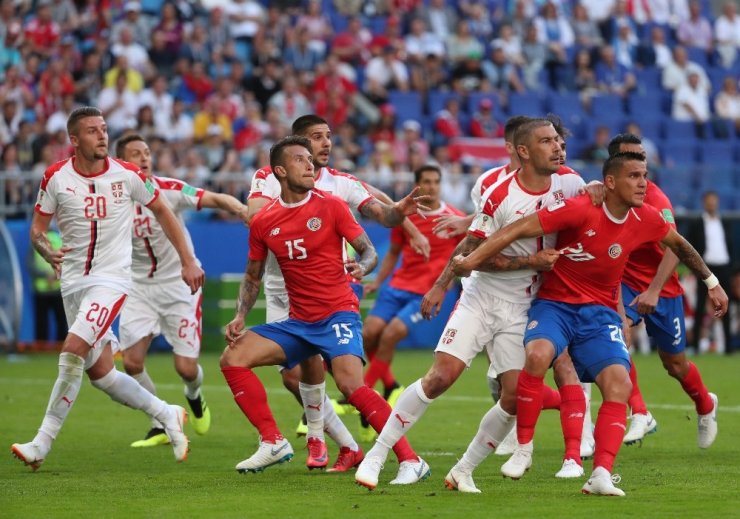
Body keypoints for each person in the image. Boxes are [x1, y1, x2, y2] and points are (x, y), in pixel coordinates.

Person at [452, 151, 728, 496]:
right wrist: (470, 261)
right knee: (537, 356)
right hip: (556, 305)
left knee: (619, 384)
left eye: (644, 175)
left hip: (599, 313)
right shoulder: (580, 207)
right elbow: (518, 228)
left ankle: (600, 474)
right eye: (633, 176)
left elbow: (681, 246)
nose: (643, 182)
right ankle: (523, 449)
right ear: (609, 182)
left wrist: (712, 283)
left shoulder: (648, 217)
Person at [354, 119, 586, 491]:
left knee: (514, 397)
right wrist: (441, 286)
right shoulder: (499, 194)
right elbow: (471, 252)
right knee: (441, 377)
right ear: (523, 151)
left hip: (524, 304)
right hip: (482, 295)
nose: (557, 147)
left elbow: (597, 205)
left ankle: (462, 470)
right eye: (547, 142)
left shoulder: (572, 184)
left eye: (558, 141)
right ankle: (378, 455)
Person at [221, 136, 430, 486]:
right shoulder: (263, 222)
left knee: (350, 385)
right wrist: (241, 315)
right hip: (298, 322)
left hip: (337, 314)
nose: (310, 165)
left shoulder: (332, 205)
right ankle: (272, 440)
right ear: (280, 171)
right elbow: (252, 275)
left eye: (310, 160)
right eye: (301, 160)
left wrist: (364, 266)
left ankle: (411, 460)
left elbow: (368, 251)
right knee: (232, 359)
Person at [11, 107, 205, 470]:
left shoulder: (128, 174)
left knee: (71, 350)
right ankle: (167, 412)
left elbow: (164, 212)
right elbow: (38, 230)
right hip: (73, 283)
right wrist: (45, 248)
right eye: (91, 131)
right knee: (101, 375)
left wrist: (187, 260)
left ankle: (41, 443)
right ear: (73, 140)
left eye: (103, 129)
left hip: (112, 279)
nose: (101, 136)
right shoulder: (55, 177)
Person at [115, 134, 248, 448]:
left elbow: (214, 198)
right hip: (140, 288)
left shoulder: (168, 189)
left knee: (185, 369)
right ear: (121, 163)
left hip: (179, 286)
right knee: (131, 364)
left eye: (147, 152)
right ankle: (161, 420)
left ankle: (195, 396)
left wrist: (243, 210)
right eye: (136, 154)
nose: (145, 158)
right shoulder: (114, 200)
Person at [608, 133, 719, 448]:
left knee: (675, 365)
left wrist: (654, 290)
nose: (642, 167)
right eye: (633, 159)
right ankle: (640, 412)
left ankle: (705, 404)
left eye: (643, 158)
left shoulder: (657, 199)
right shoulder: (604, 195)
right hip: (626, 284)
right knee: (613, 336)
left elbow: (675, 248)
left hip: (663, 288)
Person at [360, 164, 465, 440]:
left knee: (391, 333)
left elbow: (466, 257)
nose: (431, 186)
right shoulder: (406, 216)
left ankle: (362, 394)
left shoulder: (455, 219)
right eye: (426, 182)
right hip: (397, 287)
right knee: (368, 333)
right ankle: (391, 385)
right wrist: (378, 281)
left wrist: (451, 290)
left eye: (435, 182)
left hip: (425, 293)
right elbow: (394, 252)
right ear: (417, 185)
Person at [688, 191, 734, 354]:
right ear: (704, 203)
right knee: (700, 306)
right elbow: (690, 249)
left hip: (723, 267)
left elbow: (730, 247)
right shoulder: (698, 224)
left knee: (726, 306)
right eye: (709, 201)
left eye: (714, 201)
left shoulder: (724, 223)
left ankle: (729, 347)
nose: (712, 204)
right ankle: (695, 346)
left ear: (718, 202)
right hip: (706, 269)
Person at [28, 227, 66, 350]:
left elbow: (30, 265)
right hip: (50, 288)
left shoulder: (37, 240)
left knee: (48, 321)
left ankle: (44, 346)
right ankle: (61, 347)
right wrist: (53, 276)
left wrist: (49, 276)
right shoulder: (60, 239)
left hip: (48, 289)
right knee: (57, 320)